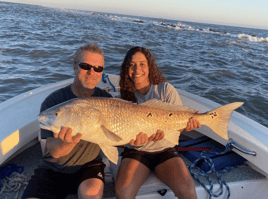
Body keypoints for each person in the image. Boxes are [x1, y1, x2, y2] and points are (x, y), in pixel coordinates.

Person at [22, 43, 112, 199]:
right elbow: (54, 151)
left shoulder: (107, 101)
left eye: (98, 68)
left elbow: (119, 137)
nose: (92, 72)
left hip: (89, 167)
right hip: (53, 168)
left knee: (92, 194)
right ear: (75, 66)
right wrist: (67, 143)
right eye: (85, 66)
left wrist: (137, 140)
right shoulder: (54, 102)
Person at [115, 47, 201, 199]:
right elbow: (119, 135)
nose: (137, 69)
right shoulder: (121, 97)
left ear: (150, 67)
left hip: (165, 150)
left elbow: (178, 124)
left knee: (188, 192)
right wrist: (131, 142)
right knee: (123, 192)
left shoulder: (165, 90)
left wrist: (188, 125)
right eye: (132, 65)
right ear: (126, 68)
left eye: (142, 64)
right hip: (136, 151)